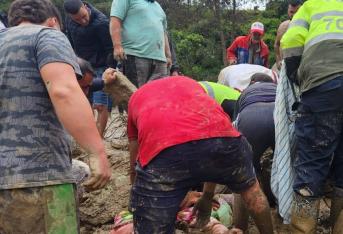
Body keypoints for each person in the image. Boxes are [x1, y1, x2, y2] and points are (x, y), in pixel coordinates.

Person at [0, 0, 111, 233]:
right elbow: (64, 91)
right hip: (41, 178)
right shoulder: (47, 35)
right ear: (53, 21)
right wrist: (97, 151)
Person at [127, 76, 273, 233]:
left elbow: (135, 150)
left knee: (150, 223)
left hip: (166, 151)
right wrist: (207, 196)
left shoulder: (138, 96)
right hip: (225, 139)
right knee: (253, 194)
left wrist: (138, 191)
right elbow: (207, 139)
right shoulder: (189, 82)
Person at [281, 0, 343, 232]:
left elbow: (291, 41)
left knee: (311, 164)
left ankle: (302, 228)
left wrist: (298, 77)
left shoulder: (312, 5)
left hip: (323, 85)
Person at [233, 73, 277, 232]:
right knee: (283, 166)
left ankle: (240, 226)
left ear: (252, 82)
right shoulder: (277, 88)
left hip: (251, 118)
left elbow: (235, 125)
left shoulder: (246, 92)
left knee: (244, 172)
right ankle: (282, 213)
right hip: (278, 116)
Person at [64, 0, 114, 137]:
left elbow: (110, 49)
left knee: (100, 105)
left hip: (100, 66)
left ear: (85, 7)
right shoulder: (69, 22)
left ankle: (98, 139)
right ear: (70, 17)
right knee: (84, 103)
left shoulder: (101, 22)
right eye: (77, 19)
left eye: (84, 16)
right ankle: (88, 135)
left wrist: (110, 69)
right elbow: (70, 43)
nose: (83, 21)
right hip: (81, 66)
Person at [110, 0, 171, 87]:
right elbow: (115, 20)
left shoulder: (158, 7)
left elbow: (163, 32)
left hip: (160, 61)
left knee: (157, 96)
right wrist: (117, 46)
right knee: (135, 94)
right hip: (135, 56)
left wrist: (168, 55)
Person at [274, 0, 302, 70]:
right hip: (284, 66)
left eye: (297, 12)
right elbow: (276, 45)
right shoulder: (283, 26)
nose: (294, 15)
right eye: (291, 12)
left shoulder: (307, 26)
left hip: (302, 66)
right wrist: (278, 61)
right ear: (288, 11)